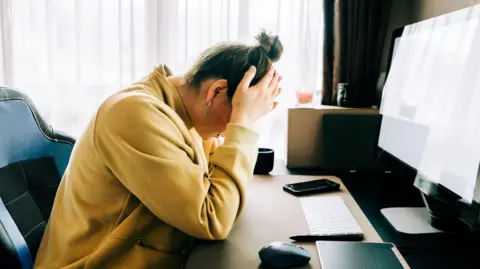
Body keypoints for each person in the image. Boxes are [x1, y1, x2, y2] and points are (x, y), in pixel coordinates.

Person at [34, 30, 283, 268]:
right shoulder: (135, 114)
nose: (229, 129)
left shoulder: (186, 116)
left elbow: (216, 186)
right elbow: (212, 218)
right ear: (216, 91)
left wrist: (240, 119)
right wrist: (243, 124)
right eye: (238, 110)